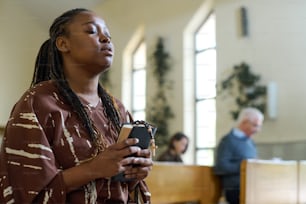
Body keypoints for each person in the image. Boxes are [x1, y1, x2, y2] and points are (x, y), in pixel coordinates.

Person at [0, 8, 153, 203]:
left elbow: (123, 189)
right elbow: (26, 193)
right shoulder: (37, 103)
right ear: (63, 44)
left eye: (108, 35)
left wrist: (135, 172)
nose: (105, 39)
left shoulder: (117, 109)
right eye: (91, 31)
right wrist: (93, 168)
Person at [214, 107, 264, 204]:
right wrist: (245, 166)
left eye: (259, 126)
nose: (258, 130)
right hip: (235, 189)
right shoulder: (228, 141)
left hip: (252, 187)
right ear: (244, 122)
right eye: (255, 126)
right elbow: (220, 167)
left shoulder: (250, 142)